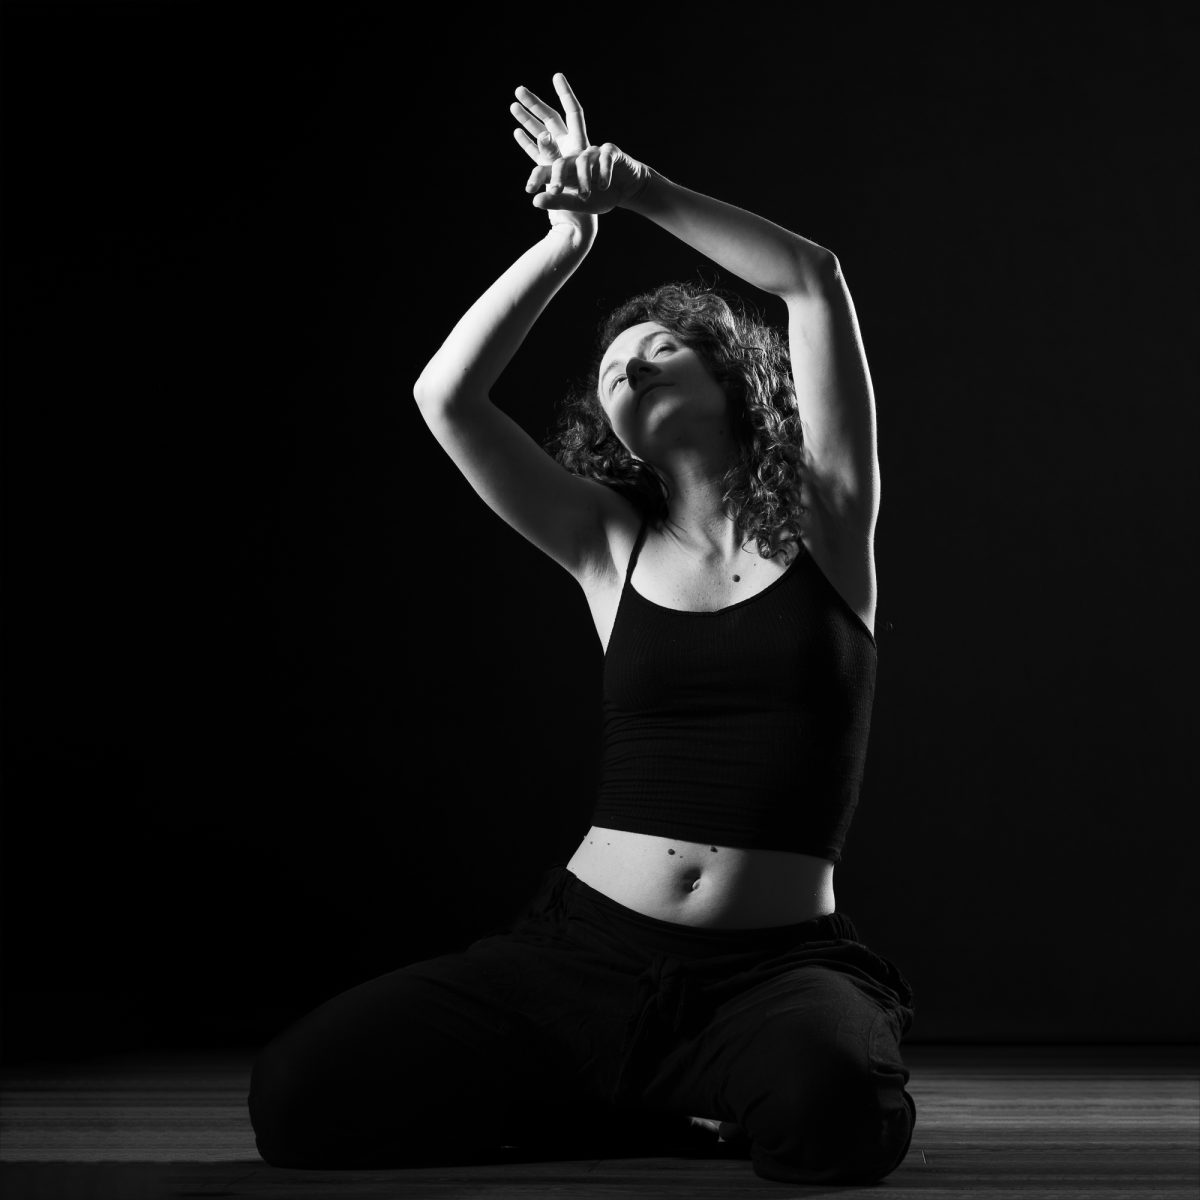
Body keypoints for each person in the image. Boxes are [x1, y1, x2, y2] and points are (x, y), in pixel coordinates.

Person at [247, 73, 917, 1186]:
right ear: (608, 428)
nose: (627, 363)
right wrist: (567, 242)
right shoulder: (608, 547)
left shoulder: (828, 520)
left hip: (773, 965)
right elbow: (446, 398)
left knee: (833, 1122)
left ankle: (697, 1085)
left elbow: (811, 278)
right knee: (298, 1102)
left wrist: (638, 191)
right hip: (586, 951)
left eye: (660, 346)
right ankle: (661, 1108)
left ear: (730, 377)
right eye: (611, 367)